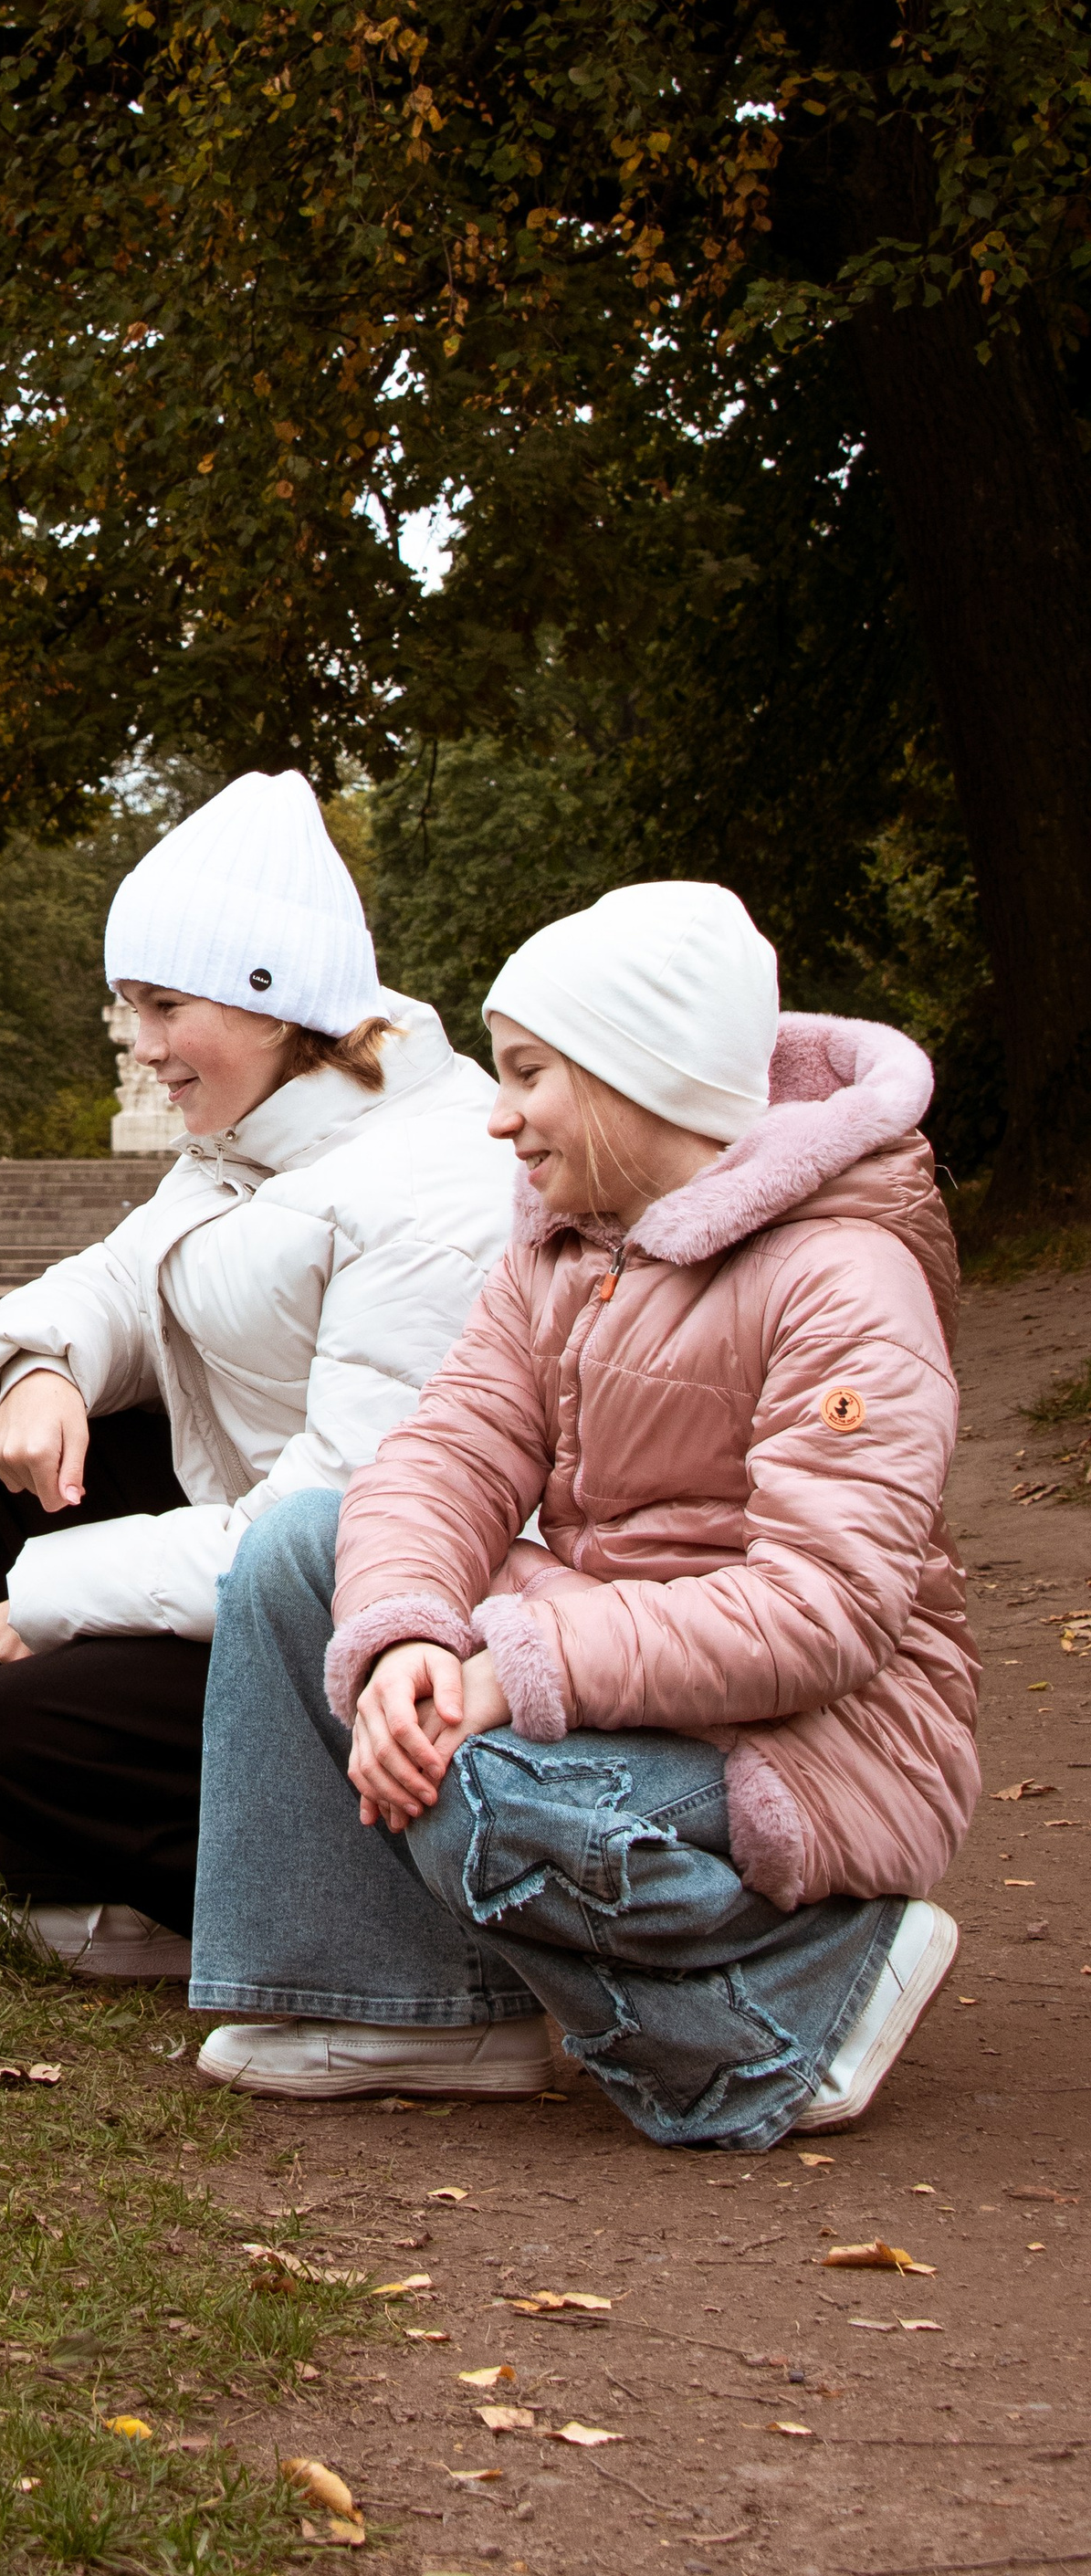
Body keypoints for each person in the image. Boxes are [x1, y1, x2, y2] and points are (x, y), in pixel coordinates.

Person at [188, 881, 977, 2148]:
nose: (498, 1117)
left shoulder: (844, 1277)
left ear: (636, 1076)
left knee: (476, 1787)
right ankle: (401, 2000)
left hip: (814, 1734)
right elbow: (443, 1454)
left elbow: (824, 1615)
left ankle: (804, 1998)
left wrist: (510, 1671)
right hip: (624, 1678)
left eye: (529, 1075)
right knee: (302, 1550)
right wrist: (402, 1638)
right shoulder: (563, 1252)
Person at [0, 770, 517, 1979]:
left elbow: (345, 1523)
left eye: (162, 1007)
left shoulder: (429, 1190)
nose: (142, 1048)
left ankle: (359, 1924)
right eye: (129, 1009)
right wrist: (45, 1365)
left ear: (275, 1000)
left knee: (6, 1728)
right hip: (274, 1561)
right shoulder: (256, 1128)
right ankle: (85, 1883)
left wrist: (63, 1586)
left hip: (389, 1617)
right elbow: (120, 1278)